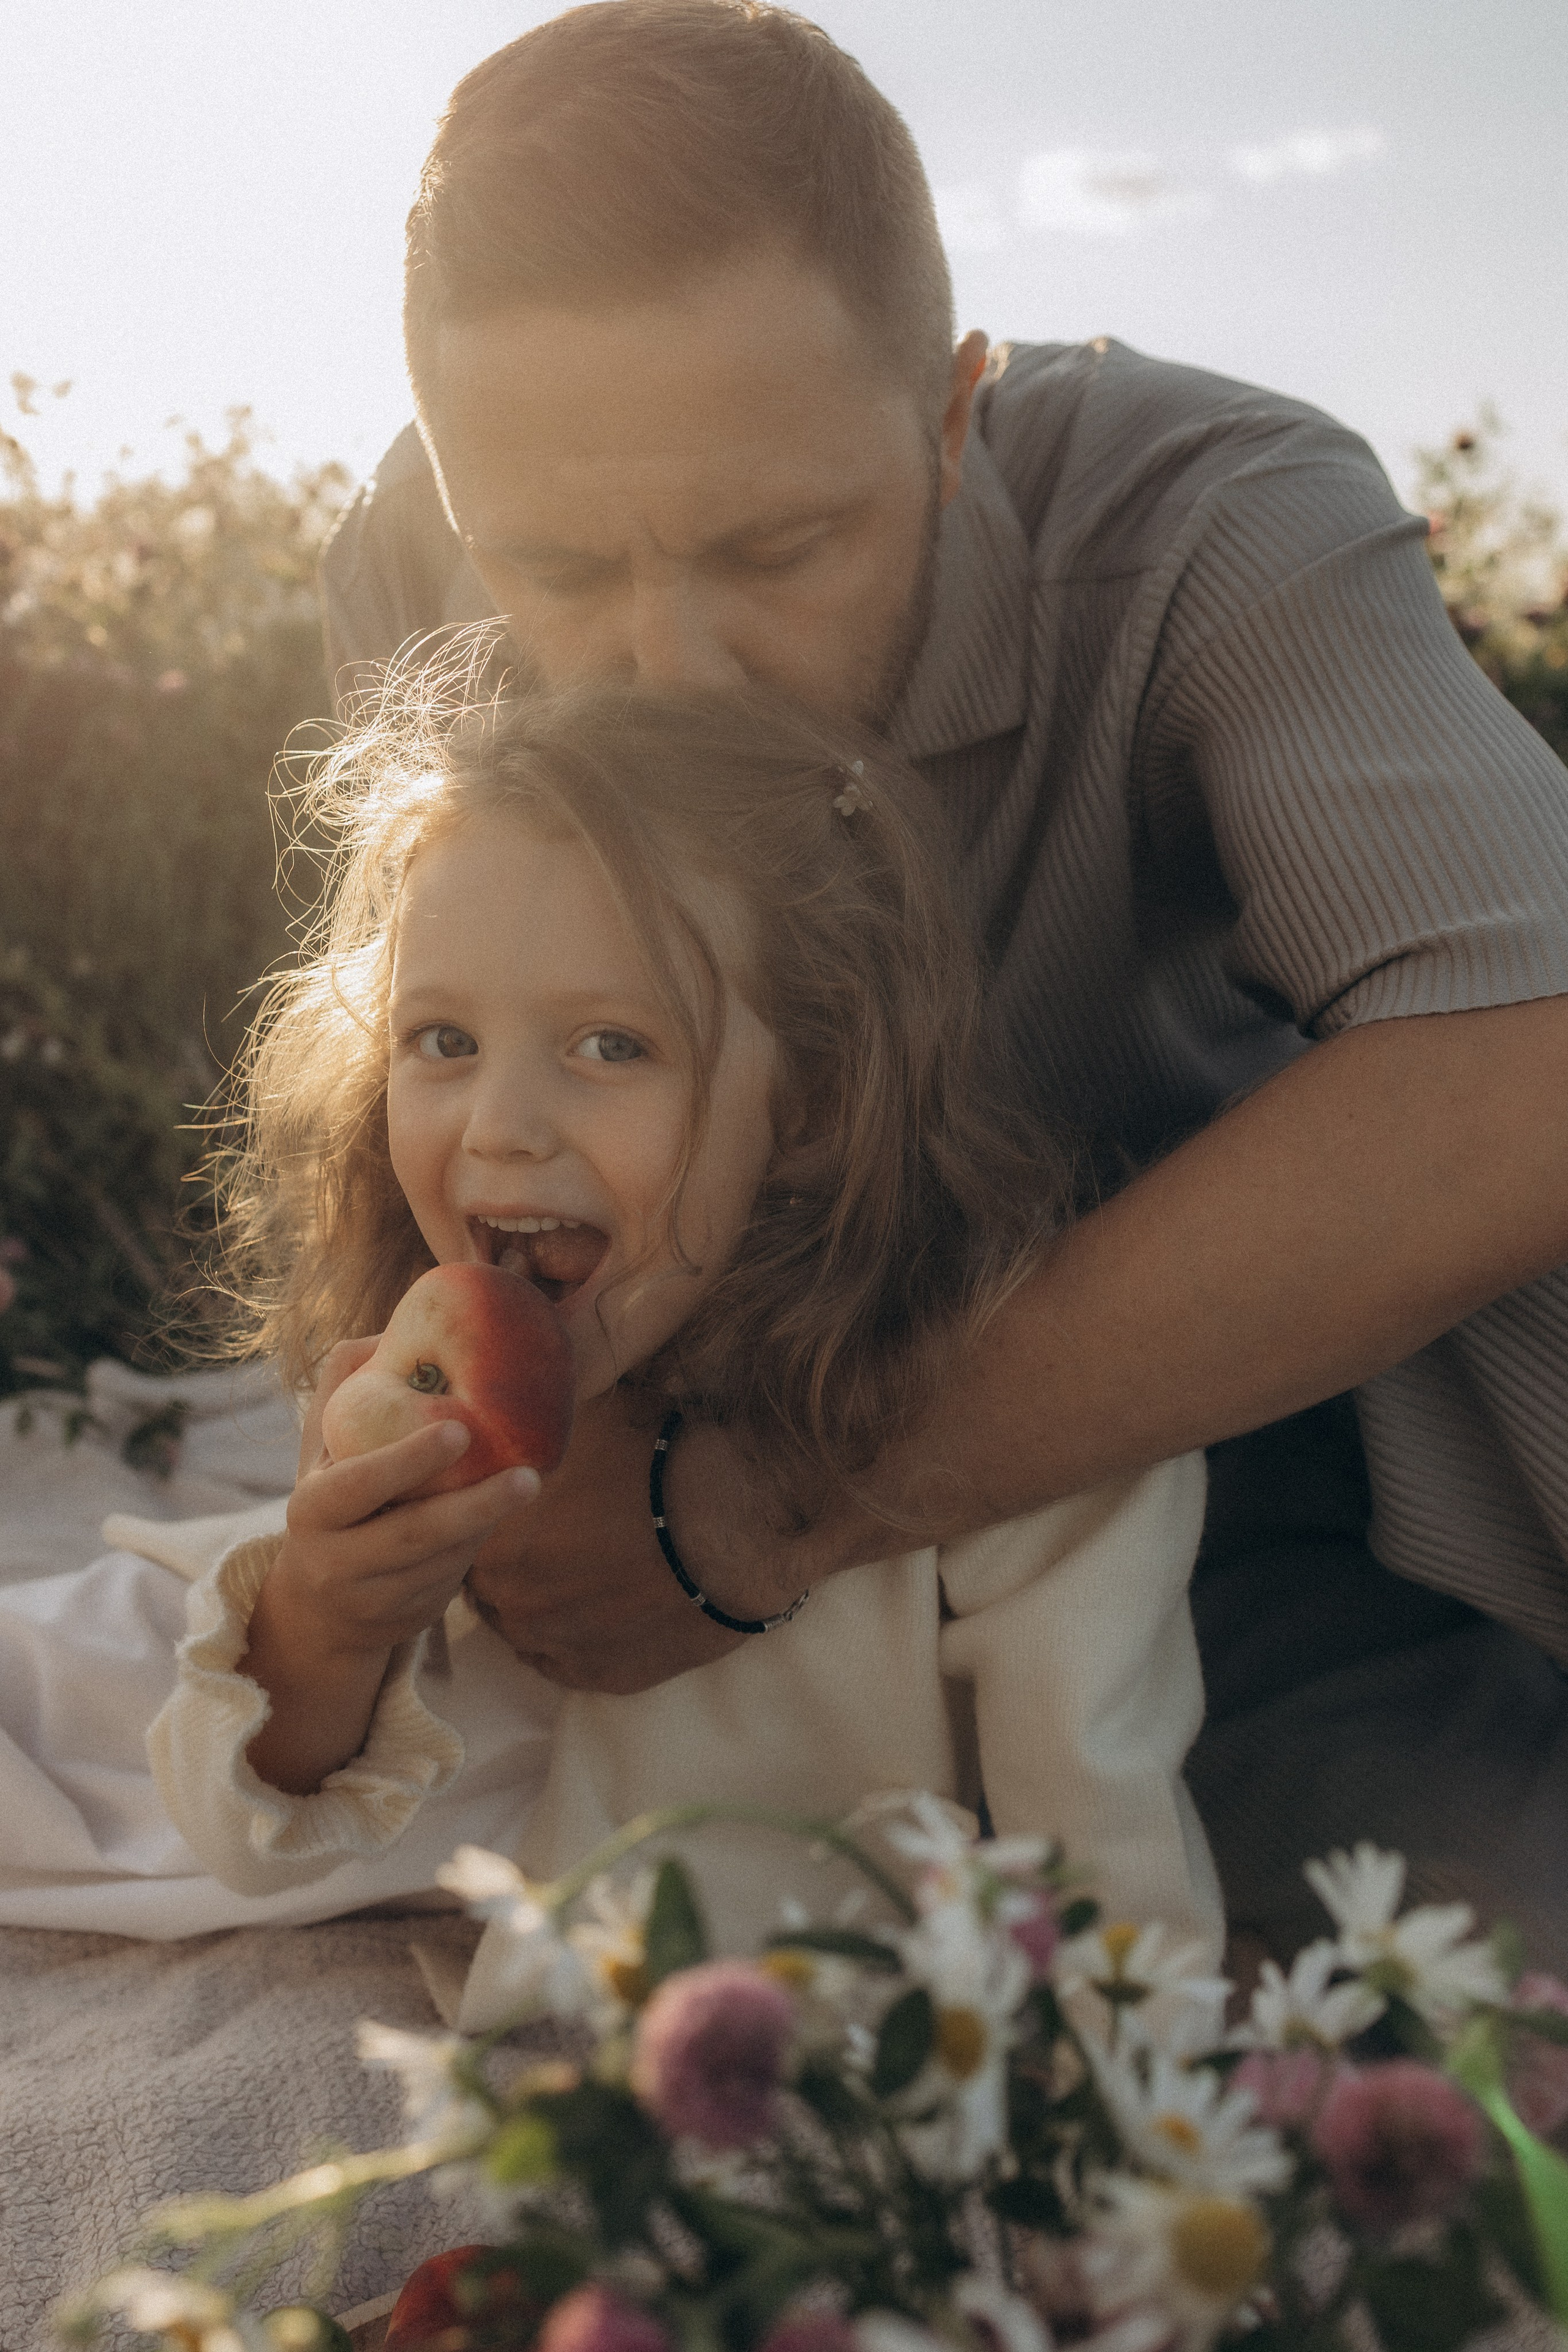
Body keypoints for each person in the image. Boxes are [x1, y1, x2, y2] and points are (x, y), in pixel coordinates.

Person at [322, 0, 1568, 1962]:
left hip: (1240, 1463)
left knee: (1468, 1970)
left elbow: (1527, 1069)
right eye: (554, 570)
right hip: (697, 1464)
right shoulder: (413, 555)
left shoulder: (1216, 514)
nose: (669, 668)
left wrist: (755, 1516)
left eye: (782, 544)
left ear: (958, 417)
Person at [0, 682, 1221, 1999]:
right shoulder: (423, 1375)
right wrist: (324, 1625)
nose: (503, 1125)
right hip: (261, 1701)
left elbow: (1109, 1890)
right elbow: (248, 1827)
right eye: (443, 1040)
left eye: (610, 1044)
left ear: (809, 1098)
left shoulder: (1024, 1441)